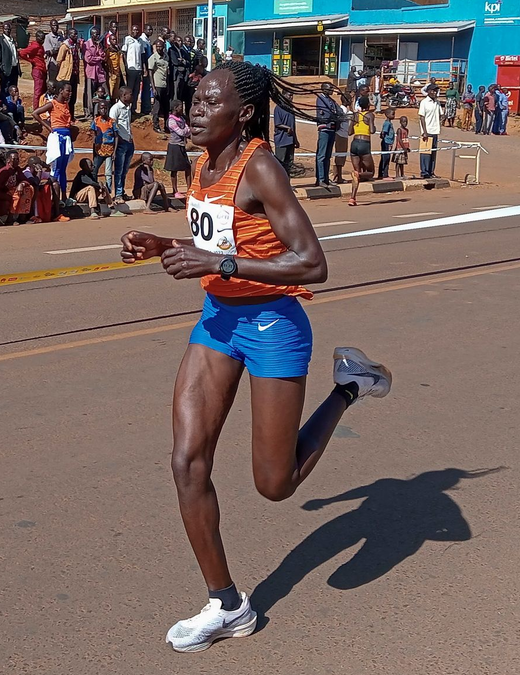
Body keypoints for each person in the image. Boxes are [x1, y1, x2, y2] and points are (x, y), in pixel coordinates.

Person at [118, 60, 393, 653]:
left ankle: (349, 385)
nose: (195, 109)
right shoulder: (202, 163)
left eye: (208, 101)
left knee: (275, 483)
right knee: (187, 462)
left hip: (273, 325)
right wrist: (165, 245)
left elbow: (312, 263)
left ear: (242, 114)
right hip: (218, 319)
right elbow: (222, 244)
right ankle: (227, 605)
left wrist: (218, 265)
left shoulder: (260, 166)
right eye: (194, 98)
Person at [34, 82, 75, 195]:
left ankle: (64, 196)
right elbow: (35, 113)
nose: (70, 93)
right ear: (61, 91)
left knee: (63, 169)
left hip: (67, 138)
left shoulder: (66, 104)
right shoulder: (52, 104)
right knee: (56, 168)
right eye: (68, 91)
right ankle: (51, 195)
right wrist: (48, 126)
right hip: (58, 138)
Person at [0, 149, 33, 225]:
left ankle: (22, 217)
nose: (17, 161)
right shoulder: (2, 172)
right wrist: (9, 197)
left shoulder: (17, 170)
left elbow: (26, 181)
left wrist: (21, 184)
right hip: (1, 206)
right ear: (8, 160)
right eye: (14, 159)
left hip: (12, 198)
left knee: (28, 189)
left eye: (17, 159)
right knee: (15, 195)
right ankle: (9, 219)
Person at [347, 95, 375, 207]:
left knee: (356, 171)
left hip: (354, 143)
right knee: (371, 172)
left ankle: (352, 198)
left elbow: (349, 132)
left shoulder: (355, 115)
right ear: (368, 105)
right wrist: (370, 123)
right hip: (364, 144)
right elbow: (372, 131)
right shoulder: (370, 115)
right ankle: (359, 174)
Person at [110, 86, 135, 202]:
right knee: (119, 170)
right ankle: (118, 194)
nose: (132, 96)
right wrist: (119, 139)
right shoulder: (115, 108)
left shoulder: (128, 108)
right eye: (130, 94)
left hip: (129, 142)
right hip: (121, 143)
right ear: (123, 95)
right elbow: (112, 126)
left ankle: (122, 191)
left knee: (125, 170)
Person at [166, 99, 193, 199]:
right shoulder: (171, 120)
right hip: (174, 146)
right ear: (175, 108)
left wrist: (186, 130)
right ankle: (175, 191)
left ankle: (189, 188)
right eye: (181, 107)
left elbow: (187, 130)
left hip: (181, 145)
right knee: (174, 170)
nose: (182, 108)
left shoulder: (181, 118)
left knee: (187, 167)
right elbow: (182, 132)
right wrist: (186, 130)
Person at [314, 82, 339, 188]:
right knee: (322, 155)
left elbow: (339, 111)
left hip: (332, 129)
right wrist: (335, 116)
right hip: (324, 129)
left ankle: (326, 178)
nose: (332, 90)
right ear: (324, 89)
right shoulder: (320, 99)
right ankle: (320, 179)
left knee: (328, 156)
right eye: (330, 89)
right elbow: (326, 114)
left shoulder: (332, 101)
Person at [55, 28, 81, 120]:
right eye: (73, 34)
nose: (75, 36)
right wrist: (63, 69)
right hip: (66, 75)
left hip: (74, 74)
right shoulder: (65, 46)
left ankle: (71, 116)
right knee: (66, 97)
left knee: (73, 97)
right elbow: (58, 60)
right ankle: (64, 116)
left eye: (76, 34)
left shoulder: (75, 45)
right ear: (69, 35)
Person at [92, 100, 117, 193]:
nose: (103, 110)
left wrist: (114, 151)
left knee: (108, 173)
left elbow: (116, 136)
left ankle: (108, 192)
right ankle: (95, 189)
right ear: (98, 109)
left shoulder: (112, 121)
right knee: (94, 170)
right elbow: (94, 136)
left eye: (105, 108)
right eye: (101, 108)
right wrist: (93, 151)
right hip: (98, 150)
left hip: (109, 151)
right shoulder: (95, 121)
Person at [417, 84, 441, 179]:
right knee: (425, 153)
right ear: (429, 91)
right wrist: (424, 131)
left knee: (433, 153)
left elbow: (440, 114)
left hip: (435, 130)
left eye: (436, 91)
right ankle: (424, 172)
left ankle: (431, 171)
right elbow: (422, 117)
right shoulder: (424, 102)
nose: (435, 93)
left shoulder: (437, 102)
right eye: (433, 91)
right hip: (427, 131)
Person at [122, 24, 146, 118]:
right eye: (134, 30)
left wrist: (144, 68)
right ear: (131, 30)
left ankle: (134, 109)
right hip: (131, 69)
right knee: (129, 90)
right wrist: (126, 66)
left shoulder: (140, 41)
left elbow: (142, 55)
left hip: (138, 68)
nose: (135, 32)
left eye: (137, 30)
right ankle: (126, 109)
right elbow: (124, 53)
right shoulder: (127, 39)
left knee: (136, 91)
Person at [272, 92, 298, 178]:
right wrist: (287, 128)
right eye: (289, 95)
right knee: (280, 163)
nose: (291, 97)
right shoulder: (278, 108)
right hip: (281, 140)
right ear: (283, 95)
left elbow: (293, 126)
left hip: (290, 140)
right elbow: (277, 123)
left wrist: (295, 140)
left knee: (289, 163)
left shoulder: (291, 108)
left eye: (292, 95)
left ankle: (288, 183)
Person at [148, 39, 170, 133]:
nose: (159, 48)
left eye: (160, 46)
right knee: (157, 106)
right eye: (157, 47)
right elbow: (150, 72)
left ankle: (166, 126)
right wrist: (153, 88)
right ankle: (156, 126)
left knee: (166, 107)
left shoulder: (165, 57)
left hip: (165, 84)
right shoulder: (153, 58)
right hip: (157, 85)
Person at [83, 29, 107, 116]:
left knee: (104, 90)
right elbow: (88, 59)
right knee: (90, 93)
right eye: (95, 34)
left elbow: (103, 56)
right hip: (91, 72)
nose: (97, 36)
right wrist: (99, 58)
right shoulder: (86, 45)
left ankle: (101, 111)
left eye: (98, 34)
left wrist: (98, 55)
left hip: (99, 72)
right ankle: (90, 112)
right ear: (91, 35)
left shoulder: (98, 44)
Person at [19, 31, 47, 105]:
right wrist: (31, 61)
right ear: (37, 37)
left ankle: (41, 109)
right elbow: (22, 53)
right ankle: (36, 111)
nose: (42, 40)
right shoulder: (35, 46)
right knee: (38, 92)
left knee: (43, 91)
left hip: (42, 70)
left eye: (43, 39)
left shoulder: (40, 46)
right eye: (41, 39)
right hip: (37, 70)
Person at [0, 22, 20, 91]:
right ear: (3, 29)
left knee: (13, 88)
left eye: (9, 29)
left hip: (14, 68)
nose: (7, 30)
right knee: (5, 88)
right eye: (6, 29)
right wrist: (0, 70)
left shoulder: (12, 40)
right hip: (6, 70)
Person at [104, 21, 124, 98]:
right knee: (111, 92)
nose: (114, 41)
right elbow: (105, 62)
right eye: (113, 27)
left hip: (118, 73)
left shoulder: (118, 49)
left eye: (116, 27)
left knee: (115, 94)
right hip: (111, 74)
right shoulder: (108, 50)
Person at [333, 98, 350, 184]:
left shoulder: (346, 109)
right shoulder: (343, 110)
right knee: (340, 156)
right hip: (341, 134)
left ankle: (338, 176)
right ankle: (338, 177)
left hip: (343, 134)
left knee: (341, 156)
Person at [44, 20, 64, 87]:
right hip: (52, 62)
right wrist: (59, 49)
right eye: (53, 25)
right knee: (52, 83)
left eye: (56, 25)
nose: (55, 27)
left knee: (60, 83)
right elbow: (49, 52)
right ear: (50, 26)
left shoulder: (61, 37)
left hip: (61, 64)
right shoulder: (48, 37)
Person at [378, 107, 394, 179]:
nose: (394, 116)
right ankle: (383, 174)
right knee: (385, 158)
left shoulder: (389, 123)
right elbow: (383, 132)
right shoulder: (387, 123)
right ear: (387, 115)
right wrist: (383, 138)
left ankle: (383, 174)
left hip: (388, 142)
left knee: (386, 158)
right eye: (393, 114)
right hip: (386, 143)